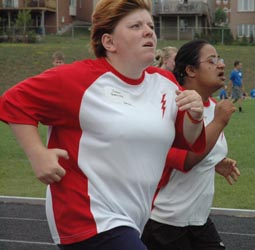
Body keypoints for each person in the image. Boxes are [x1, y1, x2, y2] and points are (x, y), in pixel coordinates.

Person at [0, 1, 205, 250]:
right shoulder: (76, 79)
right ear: (109, 42)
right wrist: (37, 154)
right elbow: (13, 102)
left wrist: (195, 115)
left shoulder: (164, 82)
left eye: (151, 25)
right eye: (136, 26)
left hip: (133, 218)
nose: (149, 31)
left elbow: (188, 140)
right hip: (86, 217)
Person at [142, 40, 240, 250]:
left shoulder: (213, 107)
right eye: (212, 61)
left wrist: (214, 162)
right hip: (165, 223)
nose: (221, 65)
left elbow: (202, 151)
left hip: (199, 221)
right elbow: (186, 159)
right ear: (190, 70)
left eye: (220, 59)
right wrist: (219, 122)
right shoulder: (171, 106)